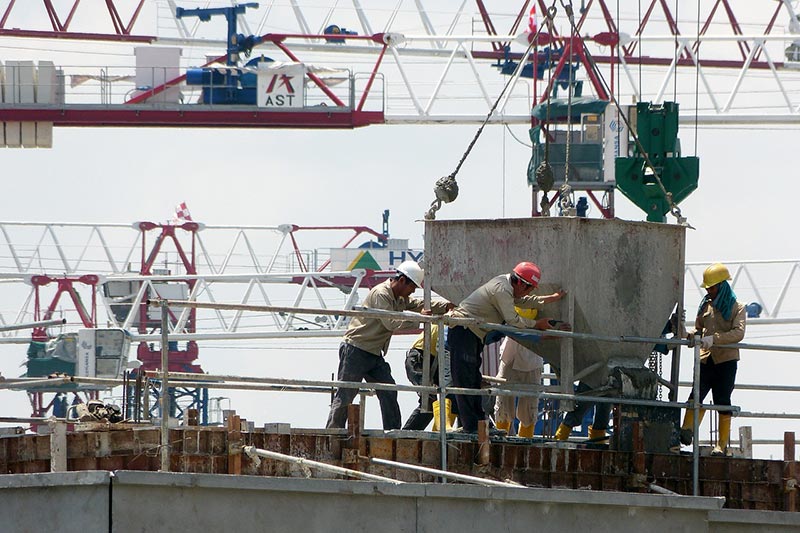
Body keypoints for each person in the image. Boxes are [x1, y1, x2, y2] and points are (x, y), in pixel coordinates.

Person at [325, 260, 453, 430]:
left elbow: (419, 305)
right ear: (402, 281)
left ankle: (392, 432)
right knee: (347, 392)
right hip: (356, 349)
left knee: (389, 390)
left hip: (373, 353)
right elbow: (391, 323)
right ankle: (333, 432)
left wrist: (446, 307)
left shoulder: (399, 297)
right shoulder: (381, 294)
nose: (413, 291)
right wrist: (420, 320)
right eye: (412, 287)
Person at [447, 261, 570, 434]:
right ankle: (472, 427)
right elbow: (513, 321)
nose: (528, 292)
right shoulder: (501, 289)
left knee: (473, 380)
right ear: (519, 282)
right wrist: (537, 325)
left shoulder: (508, 287)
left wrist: (552, 298)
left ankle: (479, 425)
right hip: (464, 332)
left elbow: (525, 301)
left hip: (473, 334)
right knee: (465, 380)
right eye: (528, 288)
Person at [679, 262, 746, 456]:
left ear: (722, 286)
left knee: (722, 400)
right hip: (706, 359)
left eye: (712, 287)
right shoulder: (705, 306)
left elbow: (738, 333)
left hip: (726, 361)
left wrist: (713, 339)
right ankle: (686, 431)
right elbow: (699, 330)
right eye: (708, 287)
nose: (709, 290)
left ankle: (721, 445)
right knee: (696, 394)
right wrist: (689, 335)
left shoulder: (737, 308)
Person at [494, 302, 564, 438]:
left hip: (533, 358)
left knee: (529, 408)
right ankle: (499, 442)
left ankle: (525, 443)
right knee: (503, 404)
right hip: (511, 355)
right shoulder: (514, 295)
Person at [401, 323, 458, 431]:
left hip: (434, 360)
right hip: (420, 357)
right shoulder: (447, 322)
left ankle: (435, 432)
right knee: (429, 398)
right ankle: (408, 435)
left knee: (440, 399)